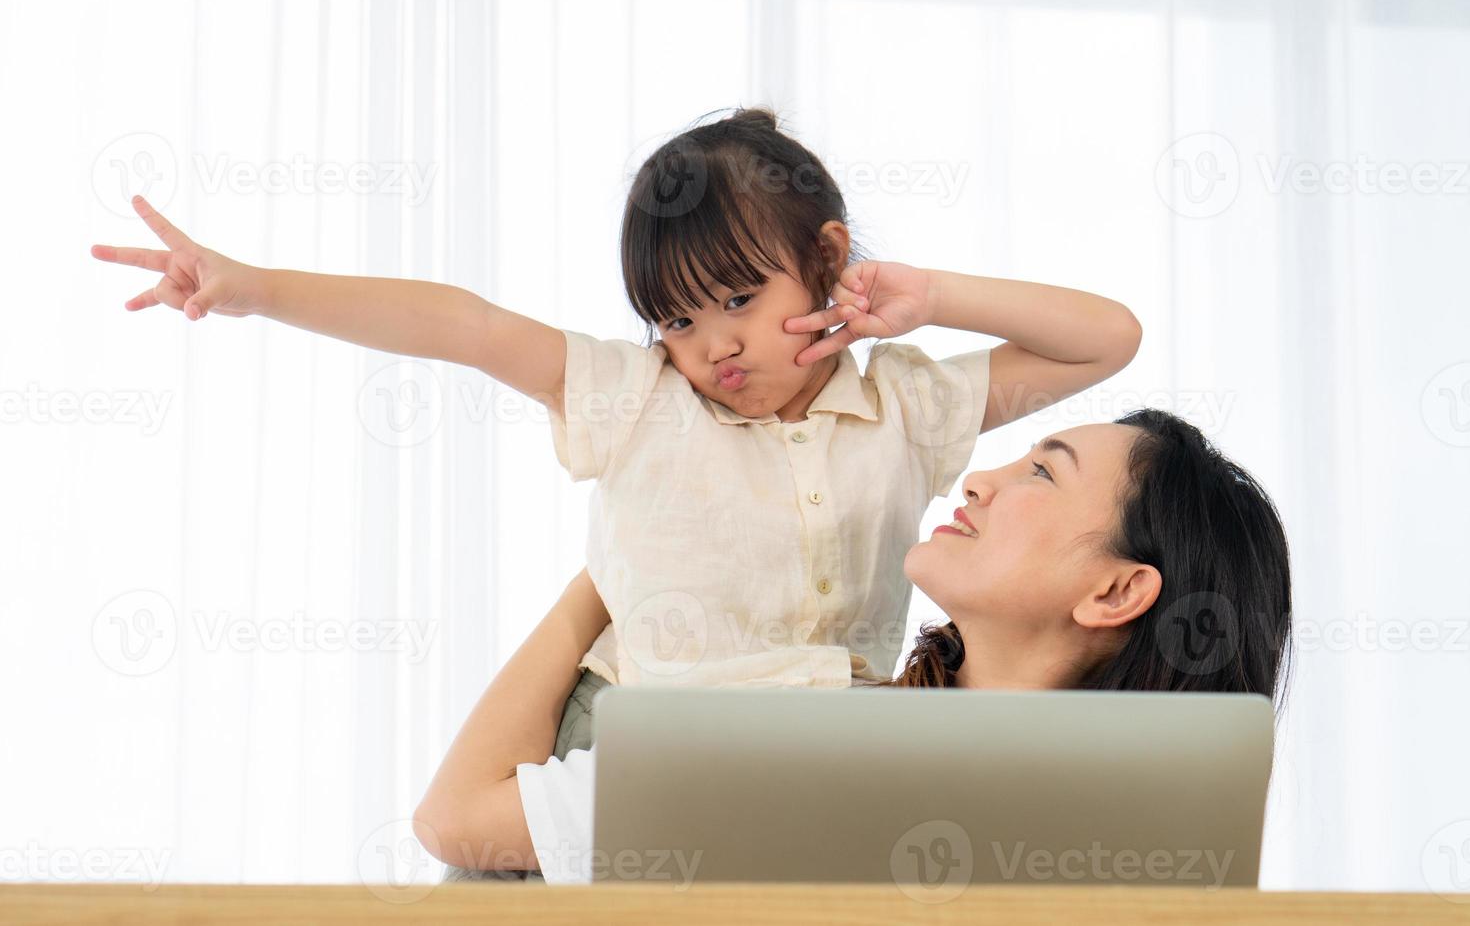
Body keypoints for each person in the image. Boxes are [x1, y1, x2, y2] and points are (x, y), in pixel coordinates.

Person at [90, 106, 1142, 695]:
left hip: (827, 746)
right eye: (677, 318)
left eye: (739, 297)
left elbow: (1109, 339)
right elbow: (464, 323)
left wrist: (934, 295)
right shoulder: (638, 401)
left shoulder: (904, 407)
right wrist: (254, 289)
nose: (712, 344)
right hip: (631, 735)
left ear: (825, 260)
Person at [416, 409, 1294, 882]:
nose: (978, 480)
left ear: (1115, 591)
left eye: (1040, 472)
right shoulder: (795, 726)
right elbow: (459, 823)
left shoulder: (1146, 846)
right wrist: (619, 567)